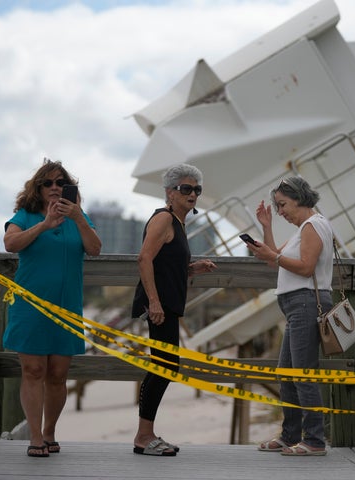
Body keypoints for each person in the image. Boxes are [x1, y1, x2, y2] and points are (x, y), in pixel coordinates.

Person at [3, 158, 102, 458]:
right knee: (33, 370)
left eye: (61, 182)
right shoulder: (26, 214)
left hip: (67, 307)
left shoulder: (78, 216)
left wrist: (79, 218)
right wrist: (44, 225)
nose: (55, 187)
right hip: (30, 305)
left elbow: (95, 249)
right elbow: (10, 243)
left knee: (58, 374)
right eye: (48, 183)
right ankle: (35, 437)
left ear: (68, 187)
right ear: (38, 188)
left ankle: (50, 432)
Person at [130, 163, 216, 456]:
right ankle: (143, 436)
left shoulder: (178, 223)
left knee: (165, 366)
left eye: (197, 189)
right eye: (186, 189)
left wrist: (192, 269)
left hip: (168, 304)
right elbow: (144, 259)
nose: (193, 194)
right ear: (170, 192)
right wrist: (153, 302)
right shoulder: (164, 219)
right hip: (160, 306)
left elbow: (165, 264)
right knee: (164, 367)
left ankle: (146, 433)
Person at [245, 176, 333, 456]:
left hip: (306, 303)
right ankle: (291, 435)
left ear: (299, 198)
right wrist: (266, 227)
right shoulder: (302, 229)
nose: (280, 211)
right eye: (277, 206)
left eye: (283, 205)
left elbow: (306, 267)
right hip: (296, 306)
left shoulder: (313, 225)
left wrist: (275, 256)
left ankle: (315, 440)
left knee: (302, 374)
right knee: (287, 373)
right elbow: (275, 259)